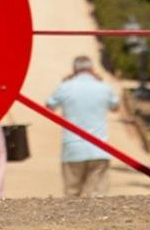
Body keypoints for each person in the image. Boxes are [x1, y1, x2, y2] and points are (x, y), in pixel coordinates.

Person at [46, 56, 121, 197]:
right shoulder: (103, 88)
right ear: (92, 69)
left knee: (72, 195)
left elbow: (50, 106)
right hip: (99, 148)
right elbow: (116, 107)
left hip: (72, 148)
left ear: (74, 70)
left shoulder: (65, 87)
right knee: (97, 195)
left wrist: (65, 83)